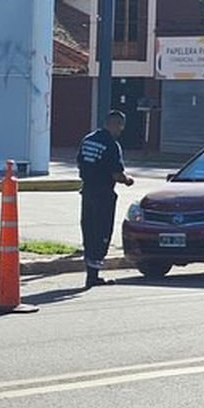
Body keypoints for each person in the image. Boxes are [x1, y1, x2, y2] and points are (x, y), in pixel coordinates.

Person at [77, 110, 135, 287]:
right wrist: (128, 180)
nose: (120, 130)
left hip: (87, 191)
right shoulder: (111, 144)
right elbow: (117, 174)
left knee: (89, 230)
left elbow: (80, 162)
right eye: (120, 126)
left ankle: (90, 273)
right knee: (102, 232)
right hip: (103, 193)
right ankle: (93, 276)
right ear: (116, 124)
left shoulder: (88, 139)